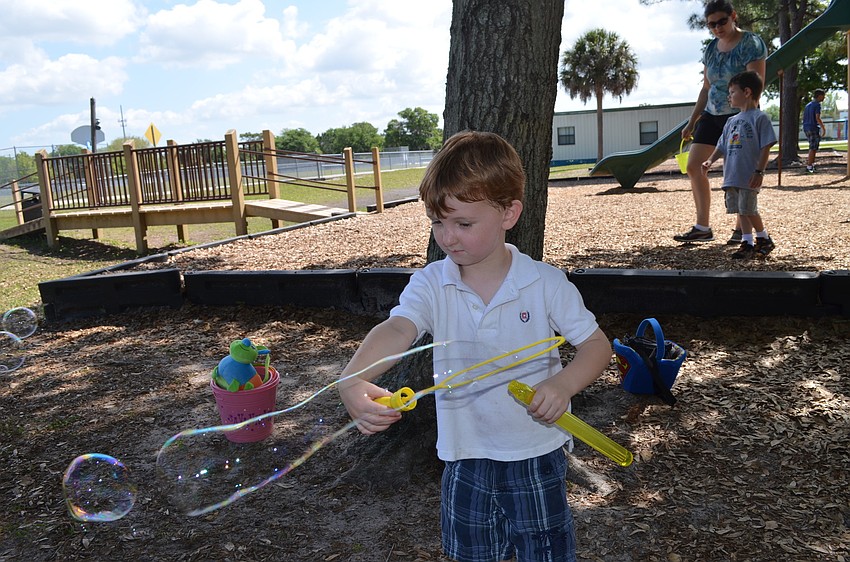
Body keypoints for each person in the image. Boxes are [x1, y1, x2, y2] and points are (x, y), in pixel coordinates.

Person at [337, 130, 612, 562]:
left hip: (536, 454)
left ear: (509, 213)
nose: (447, 237)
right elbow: (397, 329)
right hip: (464, 458)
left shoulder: (544, 283)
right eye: (437, 222)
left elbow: (596, 346)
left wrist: (562, 385)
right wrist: (353, 379)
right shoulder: (432, 283)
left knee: (546, 553)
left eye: (463, 223)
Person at [675, 0, 767, 245]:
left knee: (737, 172)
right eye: (711, 24)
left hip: (739, 117)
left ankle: (742, 229)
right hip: (712, 115)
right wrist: (692, 120)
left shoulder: (751, 44)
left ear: (733, 16)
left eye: (721, 21)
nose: (717, 28)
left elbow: (756, 85)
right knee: (694, 166)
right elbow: (706, 87)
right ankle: (702, 226)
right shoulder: (711, 49)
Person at [701, 71, 776, 260]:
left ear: (747, 92)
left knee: (749, 209)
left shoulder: (760, 118)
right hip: (732, 174)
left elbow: (766, 146)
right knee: (740, 210)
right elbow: (722, 145)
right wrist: (710, 160)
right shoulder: (731, 121)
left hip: (749, 174)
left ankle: (764, 238)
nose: (729, 96)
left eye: (733, 92)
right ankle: (747, 242)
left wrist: (759, 171)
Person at [802, 89, 826, 173]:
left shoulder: (808, 105)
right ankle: (809, 166)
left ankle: (810, 165)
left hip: (806, 127)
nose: (824, 97)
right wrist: (823, 128)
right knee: (813, 147)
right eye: (823, 95)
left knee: (812, 146)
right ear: (819, 96)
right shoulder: (817, 105)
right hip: (813, 127)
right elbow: (817, 117)